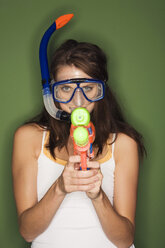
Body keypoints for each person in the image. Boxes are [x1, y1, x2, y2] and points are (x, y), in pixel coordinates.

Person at [12, 39, 145, 248]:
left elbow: (125, 240)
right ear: (51, 93)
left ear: (102, 90)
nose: (78, 101)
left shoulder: (124, 143)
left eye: (89, 88)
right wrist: (60, 188)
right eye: (66, 89)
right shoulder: (28, 137)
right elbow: (28, 232)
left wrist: (97, 196)